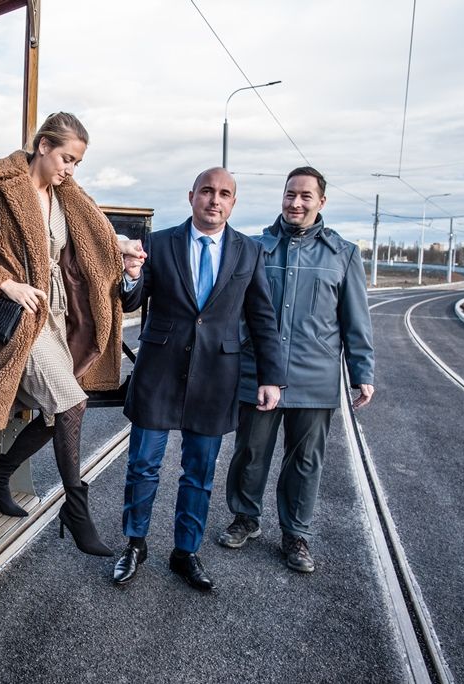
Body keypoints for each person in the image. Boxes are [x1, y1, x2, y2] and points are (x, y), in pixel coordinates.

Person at [0, 112, 143, 556]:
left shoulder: (65, 195)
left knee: (60, 410)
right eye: (66, 158)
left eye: (76, 162)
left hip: (58, 314)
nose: (69, 170)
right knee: (72, 403)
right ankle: (76, 509)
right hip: (21, 316)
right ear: (42, 146)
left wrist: (124, 248)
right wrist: (7, 283)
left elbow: (93, 238)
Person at [112, 167, 285, 591]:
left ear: (233, 202)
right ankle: (134, 544)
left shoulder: (249, 251)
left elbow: (262, 318)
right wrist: (132, 273)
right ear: (192, 196)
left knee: (199, 472)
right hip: (158, 372)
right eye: (207, 191)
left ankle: (185, 552)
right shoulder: (160, 243)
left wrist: (271, 377)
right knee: (143, 465)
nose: (215, 199)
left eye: (224, 193)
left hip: (216, 377)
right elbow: (131, 299)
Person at [217, 167, 375, 573]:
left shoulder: (343, 254)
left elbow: (356, 321)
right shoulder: (255, 247)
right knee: (250, 452)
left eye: (306, 196)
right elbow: (234, 308)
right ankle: (245, 518)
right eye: (290, 195)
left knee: (305, 460)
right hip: (258, 372)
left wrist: (362, 372)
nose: (296, 203)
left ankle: (295, 534)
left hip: (315, 376)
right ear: (282, 197)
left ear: (321, 202)